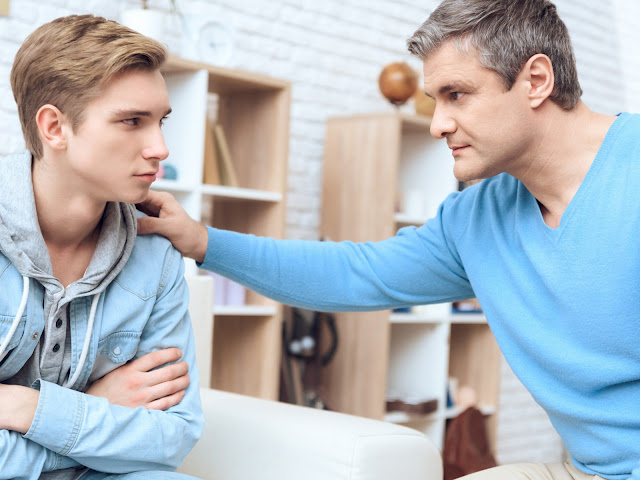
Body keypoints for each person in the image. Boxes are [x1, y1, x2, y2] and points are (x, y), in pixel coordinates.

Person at [137, 0, 640, 479]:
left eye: (457, 95)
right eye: (435, 100)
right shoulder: (477, 218)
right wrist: (202, 241)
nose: (438, 125)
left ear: (536, 80)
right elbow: (355, 273)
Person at [0, 14, 203, 480]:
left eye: (160, 121)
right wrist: (91, 408)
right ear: (54, 127)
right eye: (132, 121)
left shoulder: (156, 254)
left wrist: (28, 408)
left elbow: (173, 436)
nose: (160, 148)